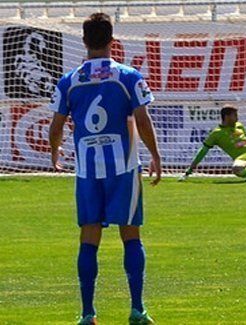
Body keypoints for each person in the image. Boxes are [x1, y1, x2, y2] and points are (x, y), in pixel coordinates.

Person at [48, 13, 159, 325]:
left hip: (87, 171)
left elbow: (56, 127)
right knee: (131, 236)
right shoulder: (128, 77)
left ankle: (87, 314)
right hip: (123, 170)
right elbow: (142, 119)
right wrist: (156, 156)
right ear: (113, 41)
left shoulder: (69, 81)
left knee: (88, 238)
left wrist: (55, 153)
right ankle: (137, 310)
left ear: (84, 42)